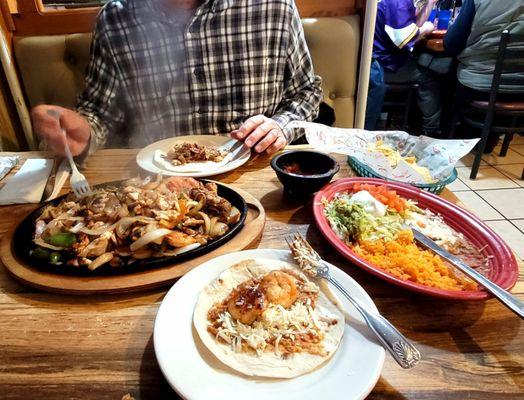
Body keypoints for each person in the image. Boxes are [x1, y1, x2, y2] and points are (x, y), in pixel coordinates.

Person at [31, 0, 322, 160]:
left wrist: (279, 126)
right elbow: (100, 114)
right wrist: (83, 131)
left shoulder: (274, 6)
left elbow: (306, 92)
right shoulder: (116, 19)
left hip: (253, 173)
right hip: (156, 184)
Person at [444, 0, 524, 151]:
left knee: (441, 72)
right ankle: (488, 140)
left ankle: (447, 137)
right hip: (520, 90)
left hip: (479, 85)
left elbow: (451, 43)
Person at [365, 0, 436, 132]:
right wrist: (427, 28)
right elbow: (404, 39)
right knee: (428, 77)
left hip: (382, 60)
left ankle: (419, 125)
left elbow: (412, 28)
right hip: (383, 64)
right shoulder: (398, 2)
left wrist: (430, 4)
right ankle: (431, 129)